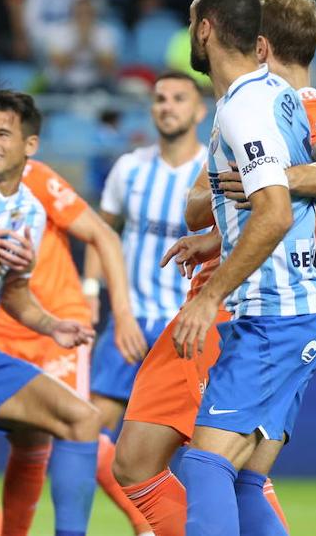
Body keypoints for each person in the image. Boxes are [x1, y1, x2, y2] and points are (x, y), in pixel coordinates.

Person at [119, 0, 316, 536]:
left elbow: (272, 211)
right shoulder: (282, 97)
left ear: (206, 30)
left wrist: (209, 296)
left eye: (190, 18)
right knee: (243, 481)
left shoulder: (245, 109)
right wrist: (223, 232)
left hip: (270, 314)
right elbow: (281, 198)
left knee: (203, 465)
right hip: (292, 311)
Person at [0, 94, 138, 536]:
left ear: (28, 144)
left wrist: (102, 298)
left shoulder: (36, 186)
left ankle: (148, 524)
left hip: (50, 320)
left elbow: (102, 234)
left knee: (75, 425)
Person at [88, 71, 208, 535]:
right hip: (131, 322)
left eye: (179, 98)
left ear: (199, 111)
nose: (167, 106)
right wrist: (93, 295)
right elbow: (102, 234)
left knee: (204, 446)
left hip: (189, 327)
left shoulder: (213, 170)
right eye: (160, 99)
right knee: (88, 430)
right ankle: (147, 523)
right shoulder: (129, 169)